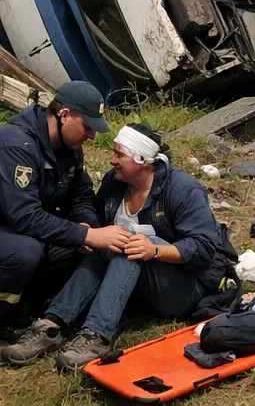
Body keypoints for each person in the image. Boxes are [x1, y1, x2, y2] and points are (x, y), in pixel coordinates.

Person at [3, 123, 235, 371]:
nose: (112, 160)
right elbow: (94, 214)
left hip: (184, 287)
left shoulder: (182, 190)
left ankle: (97, 336)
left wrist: (154, 250)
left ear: (142, 160)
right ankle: (51, 325)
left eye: (119, 155)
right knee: (111, 241)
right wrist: (90, 230)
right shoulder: (114, 183)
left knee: (132, 244)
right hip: (136, 282)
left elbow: (203, 248)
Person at [0, 82, 131, 329]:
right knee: (26, 252)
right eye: (87, 127)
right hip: (11, 229)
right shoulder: (16, 146)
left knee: (86, 248)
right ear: (64, 114)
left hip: (25, 230)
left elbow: (81, 196)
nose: (91, 136)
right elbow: (25, 217)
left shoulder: (69, 148)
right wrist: (86, 235)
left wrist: (86, 225)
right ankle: (5, 318)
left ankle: (34, 305)